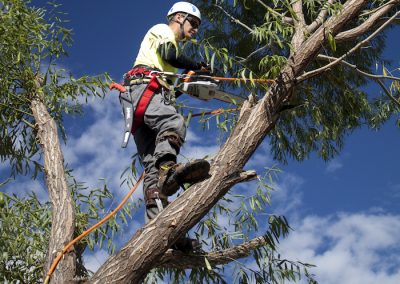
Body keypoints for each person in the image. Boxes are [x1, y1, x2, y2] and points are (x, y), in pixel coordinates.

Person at [121, 2, 210, 251]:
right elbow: (170, 55)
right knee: (172, 122)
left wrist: (189, 82)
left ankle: (160, 234)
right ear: (179, 17)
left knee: (151, 170)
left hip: (147, 97)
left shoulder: (167, 65)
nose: (195, 30)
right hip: (143, 88)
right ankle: (168, 171)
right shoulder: (162, 31)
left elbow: (170, 94)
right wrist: (196, 66)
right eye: (193, 23)